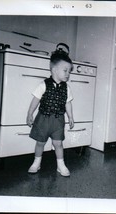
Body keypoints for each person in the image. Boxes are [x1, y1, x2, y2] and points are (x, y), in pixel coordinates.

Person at [26, 48, 74, 177]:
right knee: (40, 142)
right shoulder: (43, 85)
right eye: (65, 70)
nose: (68, 74)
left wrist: (70, 116)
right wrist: (30, 113)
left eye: (69, 71)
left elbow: (68, 103)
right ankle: (37, 162)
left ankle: (61, 165)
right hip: (43, 119)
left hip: (58, 120)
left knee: (58, 143)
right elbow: (35, 100)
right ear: (54, 70)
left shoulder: (67, 88)